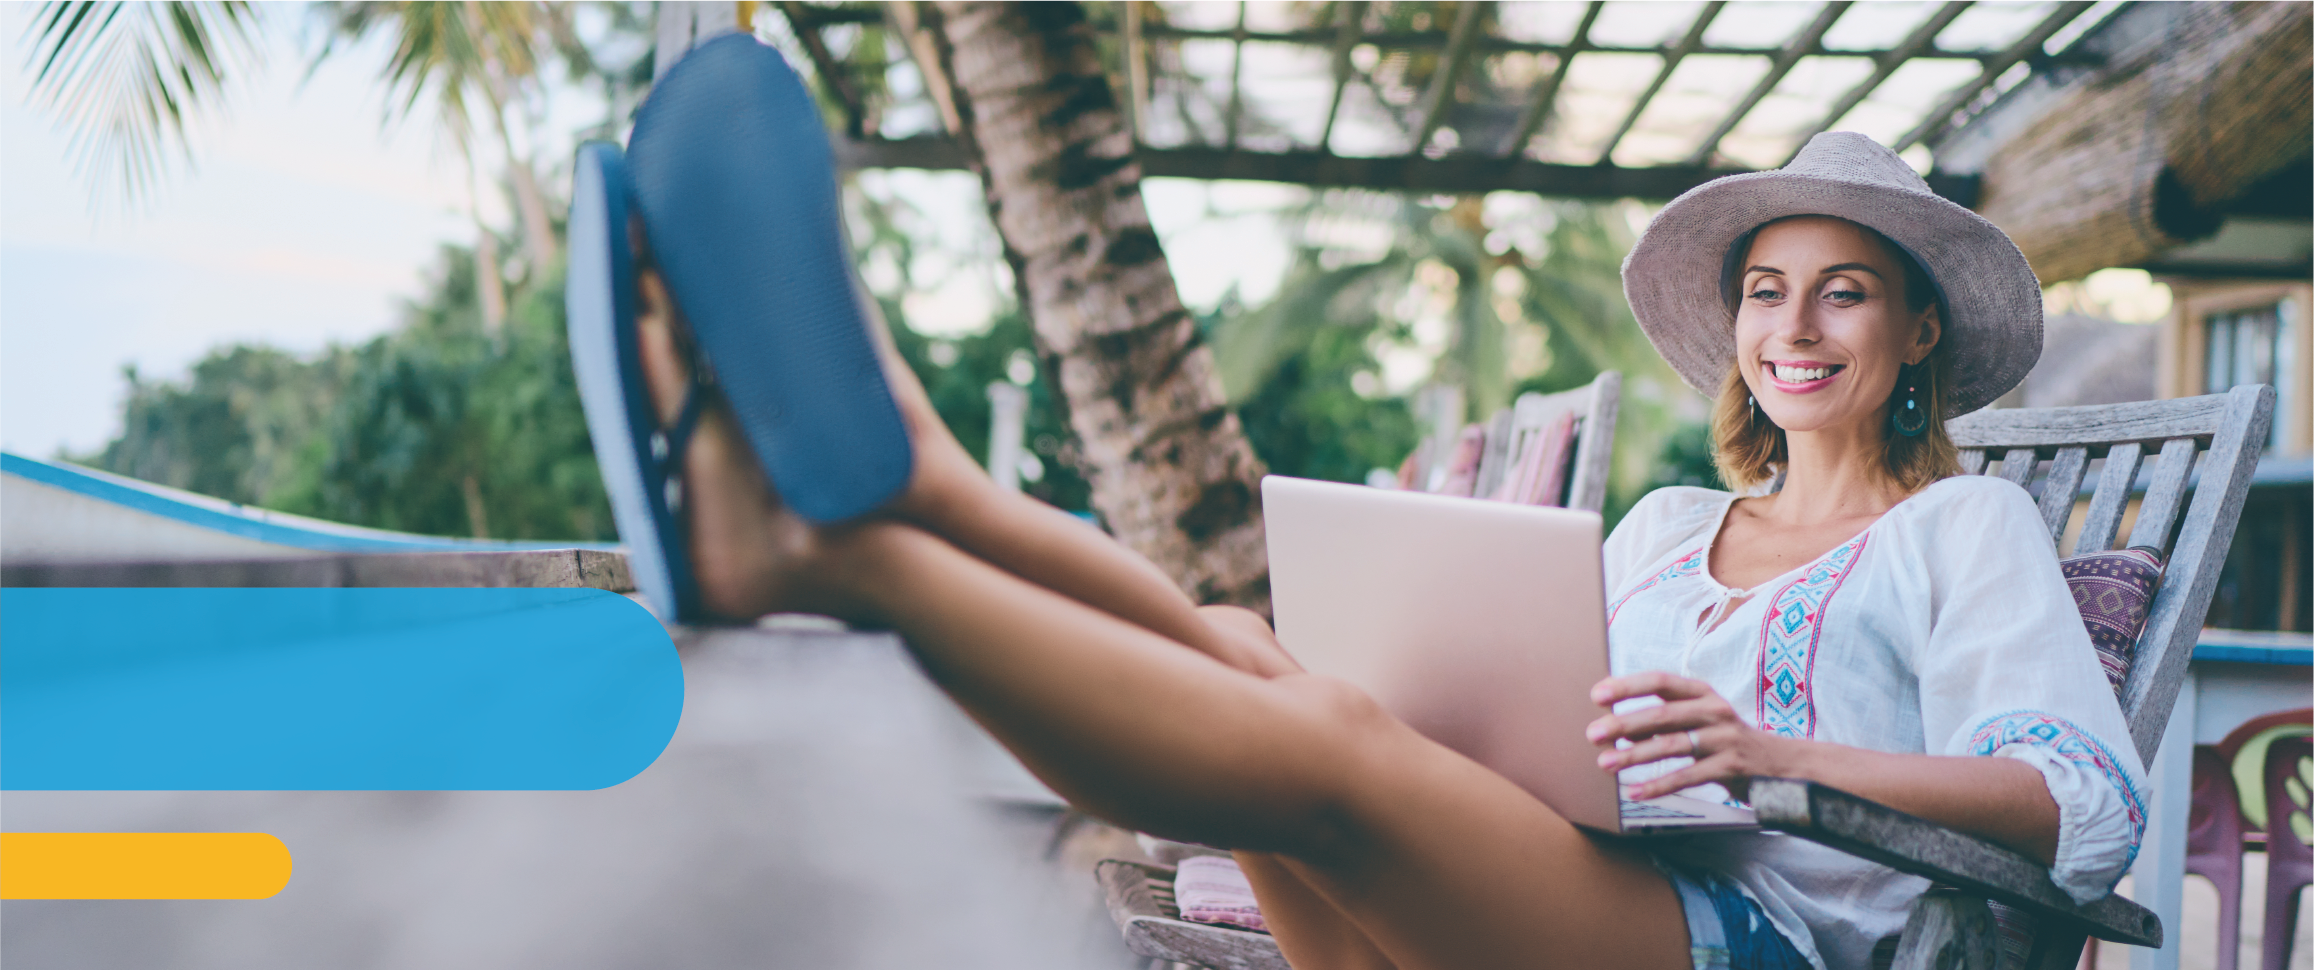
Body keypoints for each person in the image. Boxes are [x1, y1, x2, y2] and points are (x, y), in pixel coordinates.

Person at [582, 42, 2142, 970]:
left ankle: (842, 550)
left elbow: (2080, 801)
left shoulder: (1962, 528)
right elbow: (1557, 707)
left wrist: (1778, 754)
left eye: (1843, 295)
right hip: (1554, 877)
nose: (1794, 330)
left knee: (1315, 746)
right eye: (1768, 294)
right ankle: (919, 485)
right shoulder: (1668, 525)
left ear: (1915, 331)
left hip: (1744, 941)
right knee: (1243, 650)